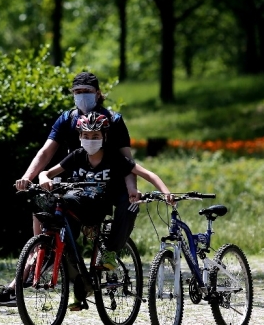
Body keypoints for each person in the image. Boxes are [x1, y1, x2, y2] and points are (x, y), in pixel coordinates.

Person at [0, 72, 142, 308]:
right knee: (47, 222)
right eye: (77, 92)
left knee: (127, 209)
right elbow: (46, 152)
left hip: (109, 184)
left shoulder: (114, 121)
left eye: (87, 91)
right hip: (76, 186)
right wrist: (29, 177)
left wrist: (131, 190)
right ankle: (19, 285)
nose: (82, 96)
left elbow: (127, 162)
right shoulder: (67, 119)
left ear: (98, 94)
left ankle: (109, 252)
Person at [36, 111, 173, 310]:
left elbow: (146, 173)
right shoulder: (77, 156)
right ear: (80, 137)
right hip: (78, 205)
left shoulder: (114, 158)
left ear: (104, 137)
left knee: (132, 204)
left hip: (99, 207)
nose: (90, 140)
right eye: (86, 136)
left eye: (95, 136)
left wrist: (166, 192)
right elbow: (47, 172)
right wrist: (43, 178)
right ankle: (79, 286)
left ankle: (111, 251)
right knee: (61, 230)